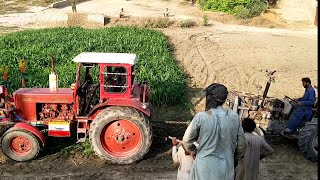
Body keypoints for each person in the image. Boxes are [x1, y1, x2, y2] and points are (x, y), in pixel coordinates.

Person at [182, 83, 247, 180]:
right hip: (226, 168)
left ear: (210, 98)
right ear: (224, 99)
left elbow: (187, 140)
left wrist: (194, 151)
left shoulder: (201, 117)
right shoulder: (234, 117)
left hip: (203, 167)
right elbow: (242, 145)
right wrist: (233, 158)